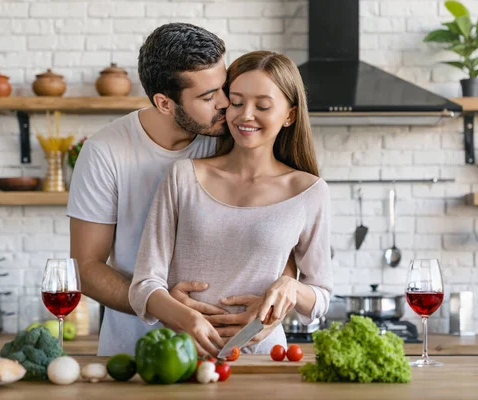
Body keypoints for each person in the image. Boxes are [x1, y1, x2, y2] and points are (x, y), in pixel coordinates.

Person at [129, 51, 333, 356]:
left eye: (262, 105)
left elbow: (321, 296)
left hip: (266, 358)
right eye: (236, 102)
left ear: (289, 114)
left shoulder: (309, 191)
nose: (245, 115)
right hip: (184, 356)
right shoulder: (183, 176)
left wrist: (291, 288)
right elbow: (143, 284)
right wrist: (184, 318)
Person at [68, 23, 236, 356]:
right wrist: (165, 306)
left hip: (226, 347)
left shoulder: (233, 135)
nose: (226, 102)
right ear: (164, 103)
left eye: (224, 86)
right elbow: (85, 268)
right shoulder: (106, 151)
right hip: (134, 351)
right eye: (207, 96)